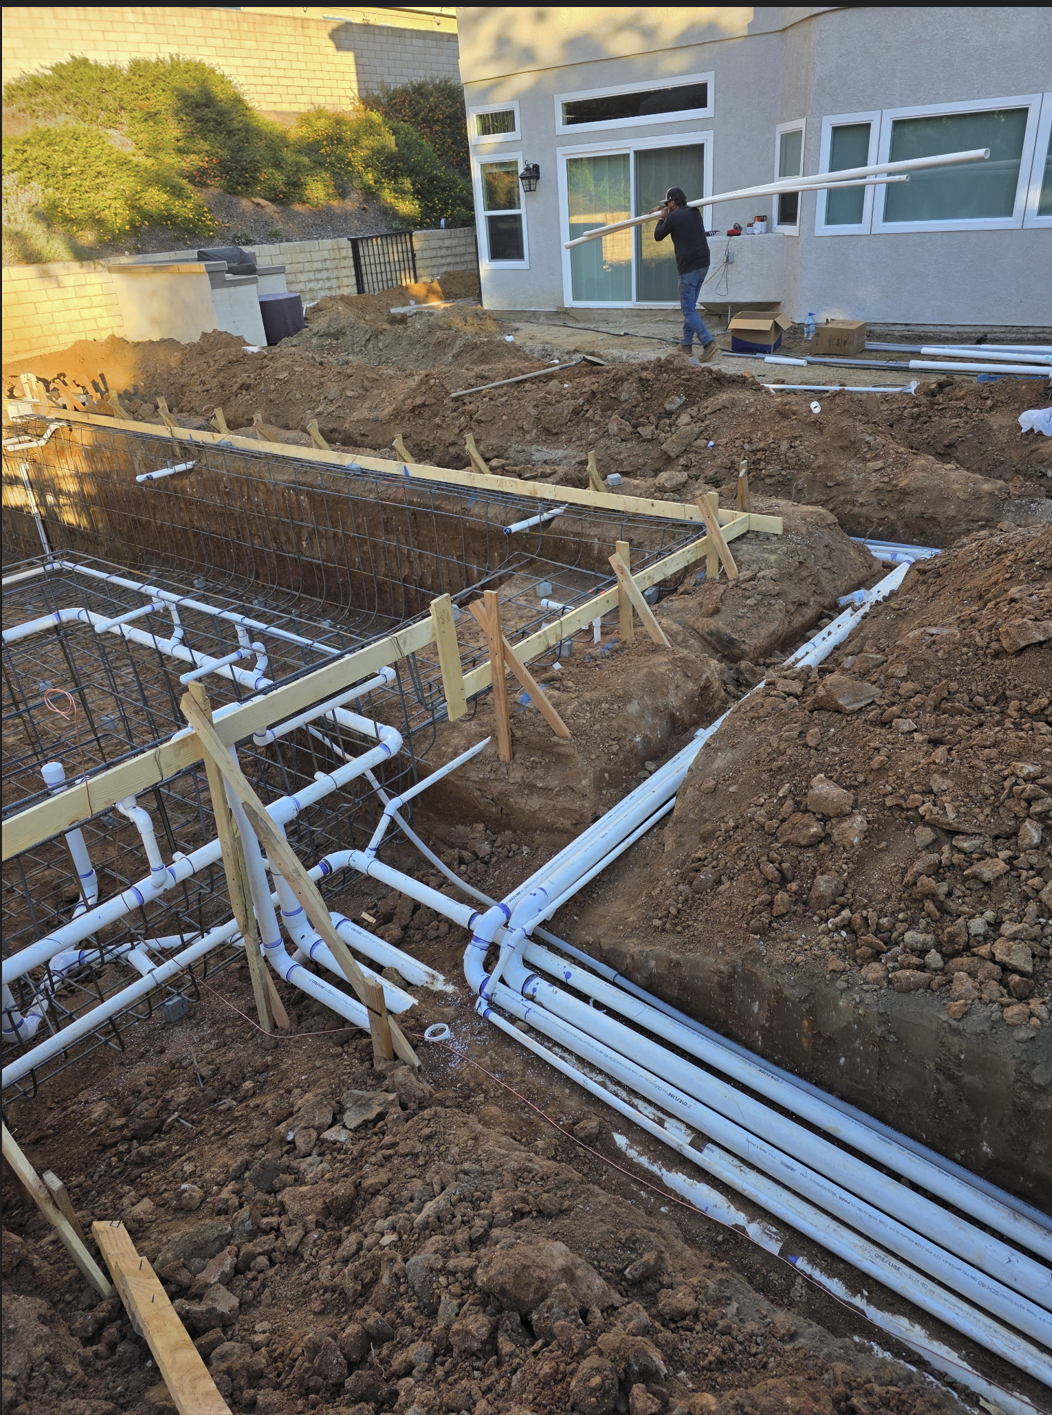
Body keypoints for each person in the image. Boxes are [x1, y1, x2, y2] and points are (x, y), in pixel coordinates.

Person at [653, 187, 717, 363]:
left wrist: (661, 218)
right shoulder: (694, 212)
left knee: (688, 309)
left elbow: (658, 236)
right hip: (703, 264)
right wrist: (662, 210)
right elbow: (680, 216)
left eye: (668, 203)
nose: (667, 206)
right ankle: (686, 344)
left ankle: (708, 342)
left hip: (688, 267)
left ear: (673, 202)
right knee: (691, 307)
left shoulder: (673, 218)